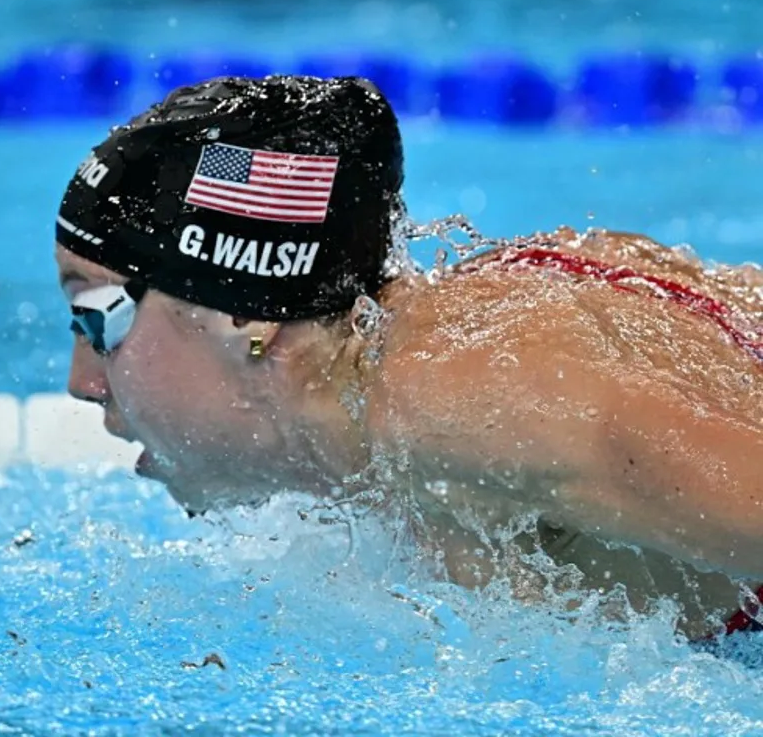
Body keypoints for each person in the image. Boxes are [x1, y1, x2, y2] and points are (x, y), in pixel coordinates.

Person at [53, 74, 763, 640]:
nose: (82, 383)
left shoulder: (470, 402)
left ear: (246, 315)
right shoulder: (407, 391)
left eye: (96, 319)